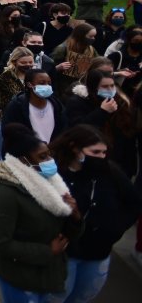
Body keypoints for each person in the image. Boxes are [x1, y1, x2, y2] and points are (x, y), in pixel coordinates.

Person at [0, 123, 82, 302]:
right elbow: (0, 243)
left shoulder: (53, 183)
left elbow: (63, 231)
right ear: (23, 161)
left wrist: (74, 216)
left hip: (47, 275)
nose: (50, 160)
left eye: (49, 154)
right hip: (19, 277)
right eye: (42, 157)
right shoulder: (5, 193)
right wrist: (47, 251)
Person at [48, 125, 142, 303]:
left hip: (97, 255)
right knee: (55, 297)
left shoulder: (111, 173)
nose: (102, 157)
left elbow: (134, 203)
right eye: (96, 152)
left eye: (104, 152)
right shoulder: (57, 174)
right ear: (75, 149)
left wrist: (115, 229)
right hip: (64, 254)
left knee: (82, 297)